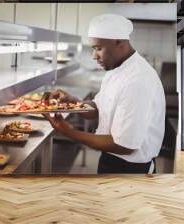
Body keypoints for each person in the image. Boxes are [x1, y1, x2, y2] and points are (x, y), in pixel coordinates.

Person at [43, 14, 166, 174]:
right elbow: (99, 109)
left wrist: (69, 132)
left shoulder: (137, 80)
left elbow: (123, 145)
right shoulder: (115, 69)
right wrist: (73, 103)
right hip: (111, 159)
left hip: (131, 170)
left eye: (98, 48)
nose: (94, 56)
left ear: (119, 43)